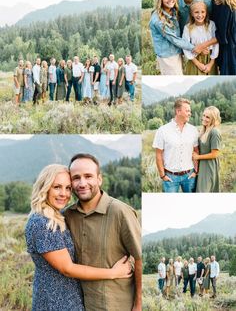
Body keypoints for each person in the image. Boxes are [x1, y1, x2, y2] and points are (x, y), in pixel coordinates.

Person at [25, 164, 132, 311]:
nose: (64, 193)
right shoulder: (42, 222)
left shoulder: (57, 217)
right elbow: (67, 268)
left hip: (65, 298)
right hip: (57, 301)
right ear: (45, 188)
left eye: (68, 188)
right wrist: (113, 273)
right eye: (57, 187)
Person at [64, 153, 142, 311]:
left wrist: (138, 304)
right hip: (79, 305)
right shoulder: (67, 216)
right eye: (76, 177)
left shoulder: (120, 212)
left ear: (99, 179)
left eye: (88, 176)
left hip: (116, 305)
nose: (82, 183)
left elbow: (140, 257)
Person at [153, 98, 199, 192]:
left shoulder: (193, 130)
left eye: (190, 111)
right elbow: (158, 154)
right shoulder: (163, 130)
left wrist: (196, 171)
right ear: (178, 111)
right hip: (170, 177)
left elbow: (196, 151)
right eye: (187, 111)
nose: (190, 113)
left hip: (190, 176)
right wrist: (163, 175)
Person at [149, 0, 195, 75]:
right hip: (168, 57)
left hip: (175, 52)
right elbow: (174, 39)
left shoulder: (172, 11)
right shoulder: (158, 20)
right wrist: (194, 48)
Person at [207, 0, 236, 75]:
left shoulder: (226, 6)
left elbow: (221, 36)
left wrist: (202, 46)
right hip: (221, 46)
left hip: (229, 50)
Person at [183, 0, 219, 75]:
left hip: (210, 59)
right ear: (192, 14)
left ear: (206, 12)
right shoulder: (188, 27)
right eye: (196, 12)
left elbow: (216, 44)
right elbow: (185, 46)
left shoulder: (211, 25)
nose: (200, 15)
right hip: (194, 60)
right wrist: (198, 64)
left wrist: (211, 64)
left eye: (203, 12)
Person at [193, 106, 221, 192]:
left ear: (213, 119)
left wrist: (198, 157)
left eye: (208, 117)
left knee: (203, 191)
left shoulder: (214, 132)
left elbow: (215, 154)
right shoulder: (203, 131)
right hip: (202, 166)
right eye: (204, 115)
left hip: (209, 167)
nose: (204, 118)